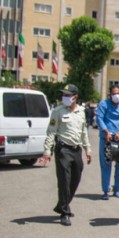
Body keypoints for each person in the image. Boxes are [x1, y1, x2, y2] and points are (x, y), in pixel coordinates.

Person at [40, 84, 92, 226]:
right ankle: (64, 212)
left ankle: (62, 205)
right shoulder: (58, 111)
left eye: (68, 95)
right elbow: (51, 131)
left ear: (75, 97)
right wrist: (47, 151)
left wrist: (88, 149)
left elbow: (84, 132)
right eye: (64, 95)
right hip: (63, 150)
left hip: (77, 150)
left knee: (75, 180)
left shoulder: (81, 111)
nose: (65, 98)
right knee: (64, 181)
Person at [96, 85, 119, 200]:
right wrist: (106, 131)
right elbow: (99, 118)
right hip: (106, 138)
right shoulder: (104, 104)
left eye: (118, 93)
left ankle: (117, 189)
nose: (116, 95)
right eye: (114, 93)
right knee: (106, 163)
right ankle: (106, 190)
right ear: (110, 94)